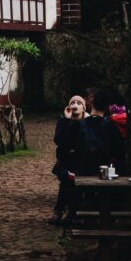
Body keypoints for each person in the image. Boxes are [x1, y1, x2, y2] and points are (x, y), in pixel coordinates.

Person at [49, 94, 88, 225]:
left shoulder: (87, 122)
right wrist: (66, 120)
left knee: (75, 186)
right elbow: (58, 139)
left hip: (81, 161)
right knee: (65, 183)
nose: (75, 105)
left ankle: (72, 212)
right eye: (73, 102)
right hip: (65, 160)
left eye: (79, 103)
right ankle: (59, 211)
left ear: (84, 107)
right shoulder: (63, 121)